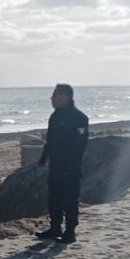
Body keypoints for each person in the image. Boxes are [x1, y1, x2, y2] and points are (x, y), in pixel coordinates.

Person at [36, 83, 88, 244]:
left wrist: (71, 166)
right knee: (54, 198)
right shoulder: (55, 116)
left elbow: (80, 145)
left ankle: (70, 232)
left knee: (70, 199)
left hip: (71, 167)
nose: (52, 99)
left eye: (54, 96)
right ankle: (55, 228)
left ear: (64, 97)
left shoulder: (80, 118)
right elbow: (50, 140)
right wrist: (43, 158)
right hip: (55, 165)